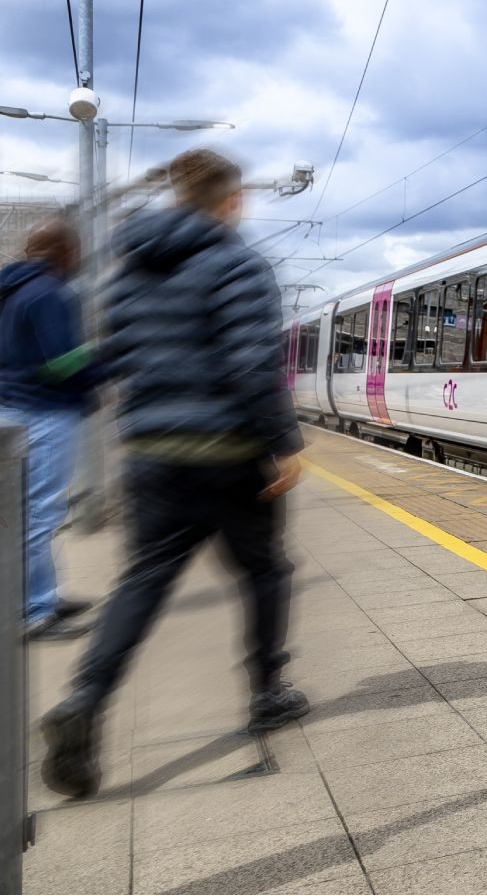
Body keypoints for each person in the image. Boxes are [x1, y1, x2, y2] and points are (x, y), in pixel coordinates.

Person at [41, 148, 308, 799]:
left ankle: (84, 695)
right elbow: (251, 366)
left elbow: (113, 357)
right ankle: (268, 690)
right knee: (266, 569)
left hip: (153, 457)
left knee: (143, 580)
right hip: (228, 454)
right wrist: (283, 442)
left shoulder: (130, 271)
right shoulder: (239, 262)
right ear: (230, 199)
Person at [0, 216, 101, 641]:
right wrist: (106, 360)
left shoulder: (10, 290)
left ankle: (43, 594)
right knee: (41, 513)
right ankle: (34, 612)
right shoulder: (51, 293)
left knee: (31, 512)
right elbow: (62, 363)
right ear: (66, 252)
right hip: (44, 413)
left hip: (12, 409)